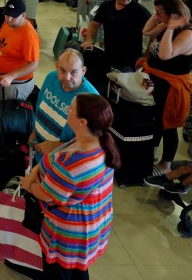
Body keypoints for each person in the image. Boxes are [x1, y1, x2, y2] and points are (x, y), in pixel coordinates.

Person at [20, 93, 117, 280]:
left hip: (68, 234)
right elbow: (55, 156)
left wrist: (28, 185)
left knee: (58, 273)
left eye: (71, 108)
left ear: (82, 122)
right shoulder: (94, 141)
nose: (67, 110)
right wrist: (35, 172)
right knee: (77, 271)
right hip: (91, 222)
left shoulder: (73, 166)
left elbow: (47, 195)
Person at [140, 0, 192, 174]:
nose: (157, 16)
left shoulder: (187, 34)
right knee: (155, 118)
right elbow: (146, 31)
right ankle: (153, 150)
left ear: (172, 13)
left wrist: (170, 28)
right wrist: (158, 16)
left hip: (172, 85)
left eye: (160, 12)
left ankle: (166, 164)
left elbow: (165, 55)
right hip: (156, 79)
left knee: (169, 125)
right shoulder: (163, 24)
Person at [0, 0, 40, 140]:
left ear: (23, 15)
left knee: (8, 113)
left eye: (13, 16)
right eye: (7, 15)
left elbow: (33, 64)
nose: (9, 19)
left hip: (16, 83)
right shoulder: (7, 23)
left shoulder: (29, 35)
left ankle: (3, 139)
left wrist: (11, 76)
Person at [32, 49, 99, 154]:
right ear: (56, 66)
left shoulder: (91, 99)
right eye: (62, 70)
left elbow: (92, 142)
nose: (67, 77)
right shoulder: (51, 78)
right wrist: (35, 132)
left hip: (62, 162)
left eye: (73, 72)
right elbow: (40, 108)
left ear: (83, 71)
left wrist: (57, 147)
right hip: (39, 151)